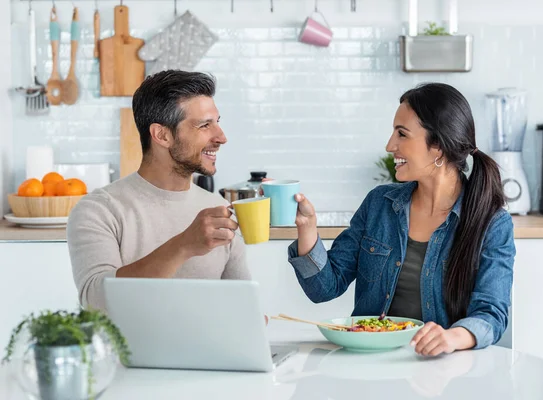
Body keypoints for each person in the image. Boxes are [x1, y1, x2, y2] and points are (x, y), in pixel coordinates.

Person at [287, 83, 515, 356]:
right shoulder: (379, 204)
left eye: (402, 134)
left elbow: (491, 314)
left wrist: (453, 337)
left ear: (438, 147)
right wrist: (308, 230)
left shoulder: (491, 222)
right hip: (372, 364)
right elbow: (324, 288)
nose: (389, 145)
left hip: (445, 369)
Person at [68, 70, 248, 312]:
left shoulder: (218, 209)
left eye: (217, 122)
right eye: (205, 125)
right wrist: (183, 245)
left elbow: (240, 304)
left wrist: (251, 319)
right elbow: (95, 302)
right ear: (162, 135)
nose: (221, 137)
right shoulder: (100, 210)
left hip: (205, 351)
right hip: (130, 351)